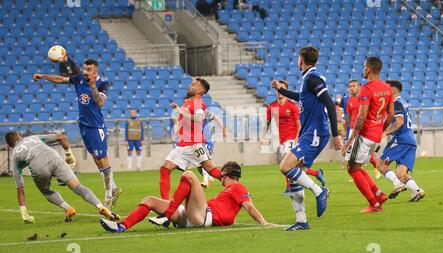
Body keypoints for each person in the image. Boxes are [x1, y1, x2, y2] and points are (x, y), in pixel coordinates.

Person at [32, 59, 122, 209]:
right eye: (85, 69)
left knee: (102, 158)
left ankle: (108, 196)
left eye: (88, 70)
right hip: (84, 126)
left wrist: (92, 85)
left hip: (96, 126)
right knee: (96, 158)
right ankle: (113, 187)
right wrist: (43, 76)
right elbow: (61, 79)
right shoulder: (79, 79)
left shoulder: (102, 84)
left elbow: (100, 102)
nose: (85, 72)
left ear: (95, 72)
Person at [271, 46, 341, 231]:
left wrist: (336, 134)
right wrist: (281, 90)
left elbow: (329, 103)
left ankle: (320, 191)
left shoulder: (313, 77)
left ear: (301, 59)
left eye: (297, 58)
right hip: (310, 132)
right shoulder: (308, 78)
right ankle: (301, 221)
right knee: (294, 176)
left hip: (315, 132)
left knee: (285, 166)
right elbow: (301, 97)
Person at [99, 161, 277, 232]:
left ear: (224, 174)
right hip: (194, 215)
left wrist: (264, 223)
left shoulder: (238, 187)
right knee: (149, 200)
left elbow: (250, 207)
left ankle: (167, 215)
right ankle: (121, 226)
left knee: (190, 175)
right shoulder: (228, 191)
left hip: (204, 216)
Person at [5, 132, 119, 223]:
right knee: (78, 187)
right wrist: (69, 155)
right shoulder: (33, 137)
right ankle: (100, 206)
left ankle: (68, 208)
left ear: (10, 146)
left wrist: (24, 212)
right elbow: (61, 137)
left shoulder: (15, 154)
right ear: (19, 136)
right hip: (54, 158)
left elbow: (20, 188)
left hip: (38, 167)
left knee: (46, 192)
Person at [342, 57, 394, 213]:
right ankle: (379, 194)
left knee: (352, 169)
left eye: (364, 67)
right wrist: (381, 129)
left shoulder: (366, 88)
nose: (363, 69)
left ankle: (374, 204)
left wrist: (350, 140)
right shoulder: (387, 88)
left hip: (365, 135)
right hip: (376, 136)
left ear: (369, 69)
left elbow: (361, 116)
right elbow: (391, 114)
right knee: (357, 166)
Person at [159, 78, 223, 200]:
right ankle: (165, 203)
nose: (189, 86)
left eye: (193, 85)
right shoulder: (187, 103)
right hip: (182, 145)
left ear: (200, 90)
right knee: (165, 169)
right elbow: (183, 120)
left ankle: (235, 186)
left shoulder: (198, 103)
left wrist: (180, 112)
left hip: (194, 145)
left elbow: (198, 119)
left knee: (211, 170)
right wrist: (177, 130)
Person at [265, 80, 326, 193]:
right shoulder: (272, 107)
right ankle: (316, 173)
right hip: (281, 139)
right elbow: (268, 123)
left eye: (282, 89)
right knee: (293, 166)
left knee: (285, 161)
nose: (279, 92)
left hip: (292, 137)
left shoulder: (292, 106)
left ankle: (289, 188)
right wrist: (265, 137)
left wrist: (297, 138)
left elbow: (299, 125)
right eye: (277, 90)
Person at [376, 80, 425, 202]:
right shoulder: (403, 103)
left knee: (380, 165)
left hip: (401, 140)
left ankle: (397, 185)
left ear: (392, 90)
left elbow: (399, 122)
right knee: (400, 173)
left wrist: (385, 133)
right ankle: (417, 191)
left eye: (387, 88)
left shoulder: (396, 103)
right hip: (411, 141)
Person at [344, 80, 381, 179]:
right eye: (350, 86)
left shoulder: (364, 99)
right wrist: (345, 129)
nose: (351, 88)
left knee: (359, 157)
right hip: (352, 130)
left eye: (354, 86)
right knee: (352, 157)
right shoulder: (349, 100)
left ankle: (376, 170)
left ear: (359, 87)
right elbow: (348, 116)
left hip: (362, 130)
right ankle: (358, 175)